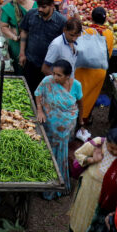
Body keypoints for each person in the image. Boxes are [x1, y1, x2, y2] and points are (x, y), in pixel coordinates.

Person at [34, 60, 82, 193]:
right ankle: (44, 180)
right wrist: (39, 110)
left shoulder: (76, 85)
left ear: (68, 76)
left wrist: (81, 120)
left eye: (59, 75)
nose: (55, 77)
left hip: (66, 125)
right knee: (47, 149)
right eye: (54, 73)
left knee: (61, 151)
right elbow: (38, 93)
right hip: (50, 124)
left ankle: (58, 183)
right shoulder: (47, 81)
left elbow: (80, 102)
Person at [18, 0, 66, 92]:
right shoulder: (31, 14)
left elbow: (64, 44)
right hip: (30, 62)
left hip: (48, 67)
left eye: (44, 7)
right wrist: (22, 53)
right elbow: (24, 31)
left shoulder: (61, 22)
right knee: (27, 90)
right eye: (39, 6)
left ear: (52, 5)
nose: (40, 9)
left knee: (43, 93)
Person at [75, 7, 114, 125]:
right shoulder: (109, 34)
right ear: (106, 19)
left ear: (91, 18)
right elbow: (109, 53)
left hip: (83, 69)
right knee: (91, 96)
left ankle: (75, 118)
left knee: (79, 93)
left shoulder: (86, 32)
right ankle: (84, 119)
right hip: (99, 71)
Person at [0, 0, 36, 70]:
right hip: (17, 43)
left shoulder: (35, 5)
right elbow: (3, 26)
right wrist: (14, 37)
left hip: (34, 41)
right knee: (19, 66)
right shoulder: (9, 8)